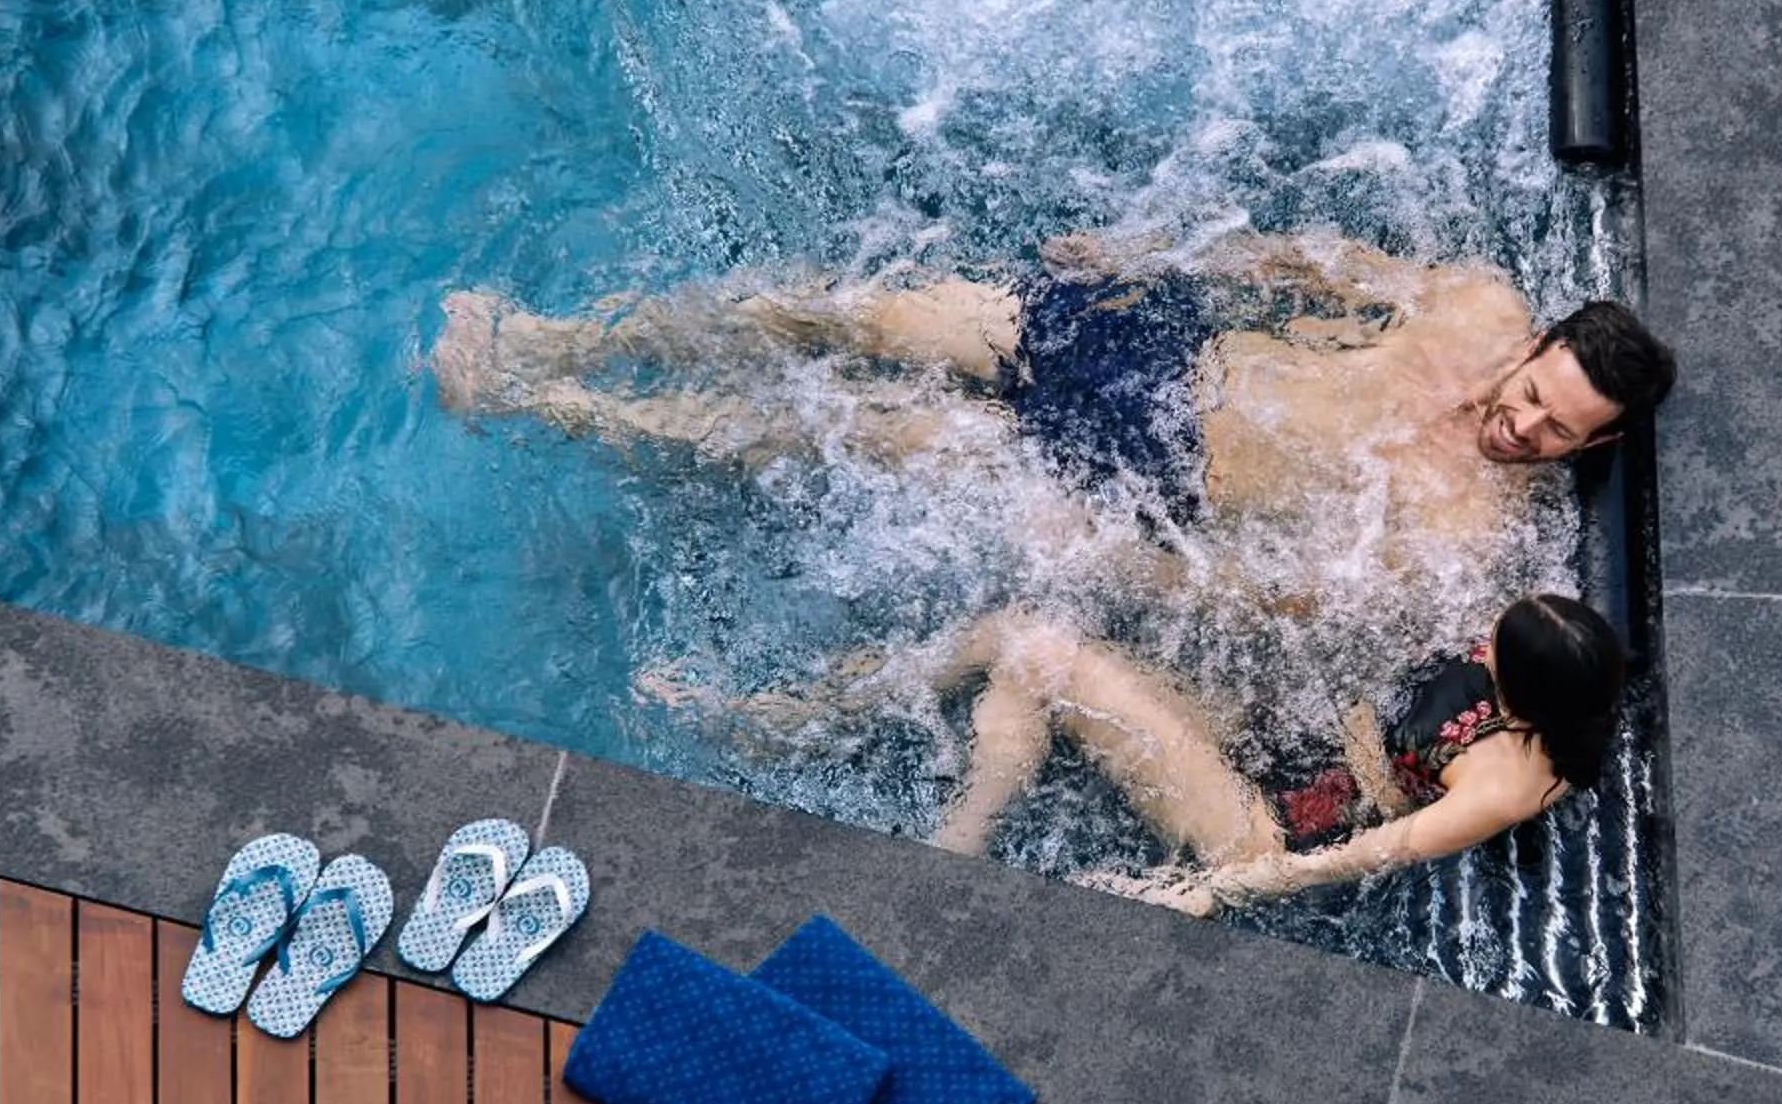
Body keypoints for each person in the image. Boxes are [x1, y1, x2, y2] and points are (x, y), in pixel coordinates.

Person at [431, 227, 1675, 605]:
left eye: (1556, 434)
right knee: (852, 317)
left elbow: (1285, 593)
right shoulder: (1475, 304)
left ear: (1598, 445)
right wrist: (1158, 250)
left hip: (1142, 473)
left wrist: (1124, 566)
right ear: (1536, 344)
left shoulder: (1465, 530)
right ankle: (557, 339)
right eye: (1533, 394)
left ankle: (540, 399)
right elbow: (1315, 265)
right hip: (1148, 345)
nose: (1522, 427)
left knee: (825, 429)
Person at [915, 592, 1627, 915]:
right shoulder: (1564, 673)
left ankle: (951, 836)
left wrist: (1212, 890)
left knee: (1036, 650)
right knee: (1020, 643)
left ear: (1525, 691)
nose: (1482, 647)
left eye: (1492, 653)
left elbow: (1368, 853)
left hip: (1271, 823)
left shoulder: (1502, 786)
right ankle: (952, 827)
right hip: (1276, 736)